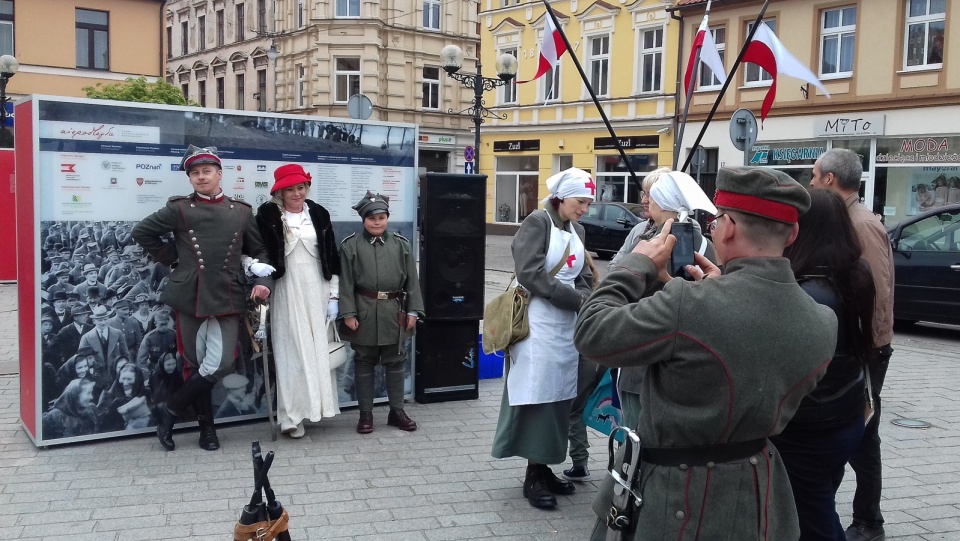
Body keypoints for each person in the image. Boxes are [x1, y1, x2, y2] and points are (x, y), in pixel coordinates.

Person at [576, 166, 838, 540]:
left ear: (728, 227)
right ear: (793, 233)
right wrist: (720, 292)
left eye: (716, 222)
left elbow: (591, 332)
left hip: (675, 500)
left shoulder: (688, 303)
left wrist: (637, 265)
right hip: (760, 496)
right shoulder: (823, 321)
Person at [132, 145, 274, 452]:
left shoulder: (241, 211)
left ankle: (169, 409)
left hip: (226, 292)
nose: (200, 177)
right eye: (194, 173)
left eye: (206, 171)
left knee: (223, 362)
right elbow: (143, 232)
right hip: (189, 293)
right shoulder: (180, 209)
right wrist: (174, 261)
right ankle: (207, 430)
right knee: (192, 364)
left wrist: (262, 280)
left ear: (219, 174)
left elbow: (260, 251)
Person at [771, 189, 877, 541]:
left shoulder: (807, 291)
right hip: (845, 414)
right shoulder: (854, 272)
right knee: (820, 503)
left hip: (810, 427)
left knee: (814, 518)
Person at [490, 168, 595, 510]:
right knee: (538, 395)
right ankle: (533, 472)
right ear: (562, 197)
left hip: (566, 325)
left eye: (588, 203)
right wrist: (574, 299)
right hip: (537, 324)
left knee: (560, 395)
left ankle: (545, 464)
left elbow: (582, 275)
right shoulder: (537, 222)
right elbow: (530, 272)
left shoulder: (575, 228)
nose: (584, 210)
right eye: (580, 202)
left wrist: (584, 296)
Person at [810, 148, 896, 541]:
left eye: (814, 175)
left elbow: (878, 291)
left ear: (829, 179)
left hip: (867, 349)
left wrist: (870, 348)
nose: (810, 183)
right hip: (858, 346)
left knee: (863, 432)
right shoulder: (844, 220)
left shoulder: (861, 224)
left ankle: (868, 521)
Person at [256, 163, 342, 438]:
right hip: (285, 289)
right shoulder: (267, 216)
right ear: (279, 192)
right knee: (290, 351)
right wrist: (255, 269)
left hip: (317, 288)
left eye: (301, 187)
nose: (296, 193)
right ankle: (290, 417)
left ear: (307, 187)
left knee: (317, 350)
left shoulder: (319, 213)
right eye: (290, 189)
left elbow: (332, 257)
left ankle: (316, 408)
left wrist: (334, 295)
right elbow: (253, 251)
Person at [338, 191, 424, 434]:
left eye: (381, 217)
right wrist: (348, 313)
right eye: (371, 218)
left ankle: (397, 411)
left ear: (387, 217)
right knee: (364, 361)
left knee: (396, 360)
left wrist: (413, 311)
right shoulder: (350, 246)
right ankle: (365, 414)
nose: (377, 222)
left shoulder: (401, 244)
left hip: (394, 312)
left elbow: (412, 283)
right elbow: (345, 284)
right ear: (363, 220)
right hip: (363, 312)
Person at [563, 252, 604, 483]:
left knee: (574, 411)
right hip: (599, 360)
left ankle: (580, 463)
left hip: (585, 358)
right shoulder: (596, 293)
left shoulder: (578, 297)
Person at [608, 167, 670, 269]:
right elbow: (614, 264)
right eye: (643, 194)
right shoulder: (639, 229)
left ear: (666, 198)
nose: (644, 201)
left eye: (650, 195)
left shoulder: (683, 233)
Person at [98, 360, 153, 432]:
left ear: (137, 380)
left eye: (129, 379)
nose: (125, 383)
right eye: (123, 379)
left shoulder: (147, 396)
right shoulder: (116, 404)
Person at [78, 305, 130, 378]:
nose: (103, 323)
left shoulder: (118, 333)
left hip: (115, 373)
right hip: (97, 375)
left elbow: (125, 354)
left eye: (105, 319)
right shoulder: (86, 337)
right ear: (94, 321)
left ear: (108, 318)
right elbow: (81, 360)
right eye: (100, 320)